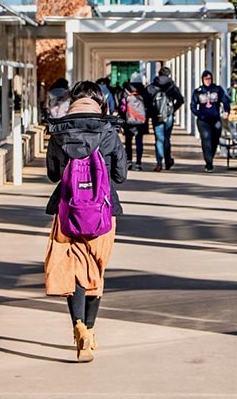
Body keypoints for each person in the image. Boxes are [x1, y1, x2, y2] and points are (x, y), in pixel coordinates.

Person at [44, 81, 127, 363]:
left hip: (68, 209)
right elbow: (120, 176)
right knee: (95, 269)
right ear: (99, 103)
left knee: (73, 271)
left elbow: (53, 174)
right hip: (102, 211)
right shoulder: (109, 131)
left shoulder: (59, 131)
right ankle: (90, 331)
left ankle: (77, 325)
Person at [190, 69, 231, 173]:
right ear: (202, 79)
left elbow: (225, 100)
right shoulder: (198, 91)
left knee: (214, 140)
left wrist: (226, 111)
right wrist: (199, 114)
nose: (207, 81)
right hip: (203, 121)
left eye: (209, 78)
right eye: (205, 79)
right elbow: (193, 105)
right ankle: (209, 163)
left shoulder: (217, 89)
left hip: (215, 119)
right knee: (206, 140)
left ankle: (210, 157)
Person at [145, 66, 185, 172]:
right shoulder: (172, 87)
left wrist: (151, 113)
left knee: (159, 139)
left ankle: (159, 163)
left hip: (156, 116)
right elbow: (180, 100)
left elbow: (147, 102)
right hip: (168, 116)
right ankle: (167, 161)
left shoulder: (152, 87)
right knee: (166, 138)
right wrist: (172, 110)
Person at [118, 72, 150, 170]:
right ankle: (139, 163)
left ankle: (129, 161)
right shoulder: (144, 91)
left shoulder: (126, 91)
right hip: (141, 121)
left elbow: (121, 106)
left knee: (128, 141)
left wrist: (122, 117)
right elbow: (148, 105)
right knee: (139, 141)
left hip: (128, 120)